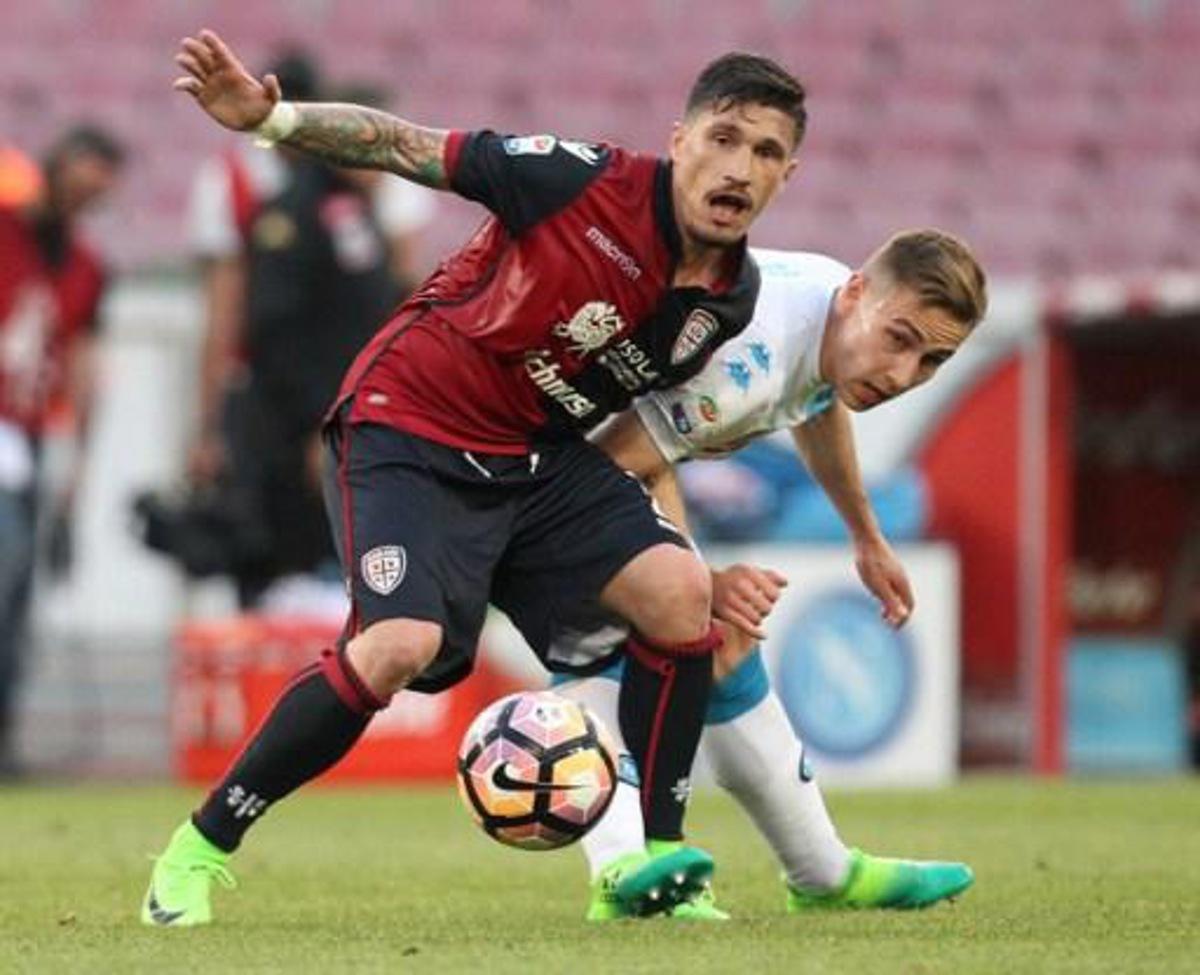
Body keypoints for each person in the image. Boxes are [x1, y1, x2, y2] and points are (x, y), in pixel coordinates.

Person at [143, 29, 806, 926]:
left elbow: (645, 421)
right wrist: (274, 119)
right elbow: (403, 145)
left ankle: (654, 865)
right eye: (724, 137)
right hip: (409, 424)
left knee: (680, 589)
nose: (740, 167)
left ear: (786, 176)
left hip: (532, 459)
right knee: (397, 647)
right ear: (680, 138)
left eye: (766, 152)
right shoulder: (579, 180)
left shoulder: (729, 299)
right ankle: (198, 848)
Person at [551, 229, 987, 919]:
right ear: (857, 295)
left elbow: (816, 399)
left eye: (932, 360)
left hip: (587, 458)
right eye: (901, 340)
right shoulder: (745, 358)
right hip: (530, 464)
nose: (904, 375)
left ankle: (821, 871)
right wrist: (696, 578)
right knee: (613, 638)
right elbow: (617, 460)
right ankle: (626, 870)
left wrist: (865, 536)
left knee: (719, 642)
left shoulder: (829, 311)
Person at [0, 125, 125, 777]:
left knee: (17, 590)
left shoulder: (85, 266)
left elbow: (82, 362)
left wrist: (78, 462)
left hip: (26, 437)